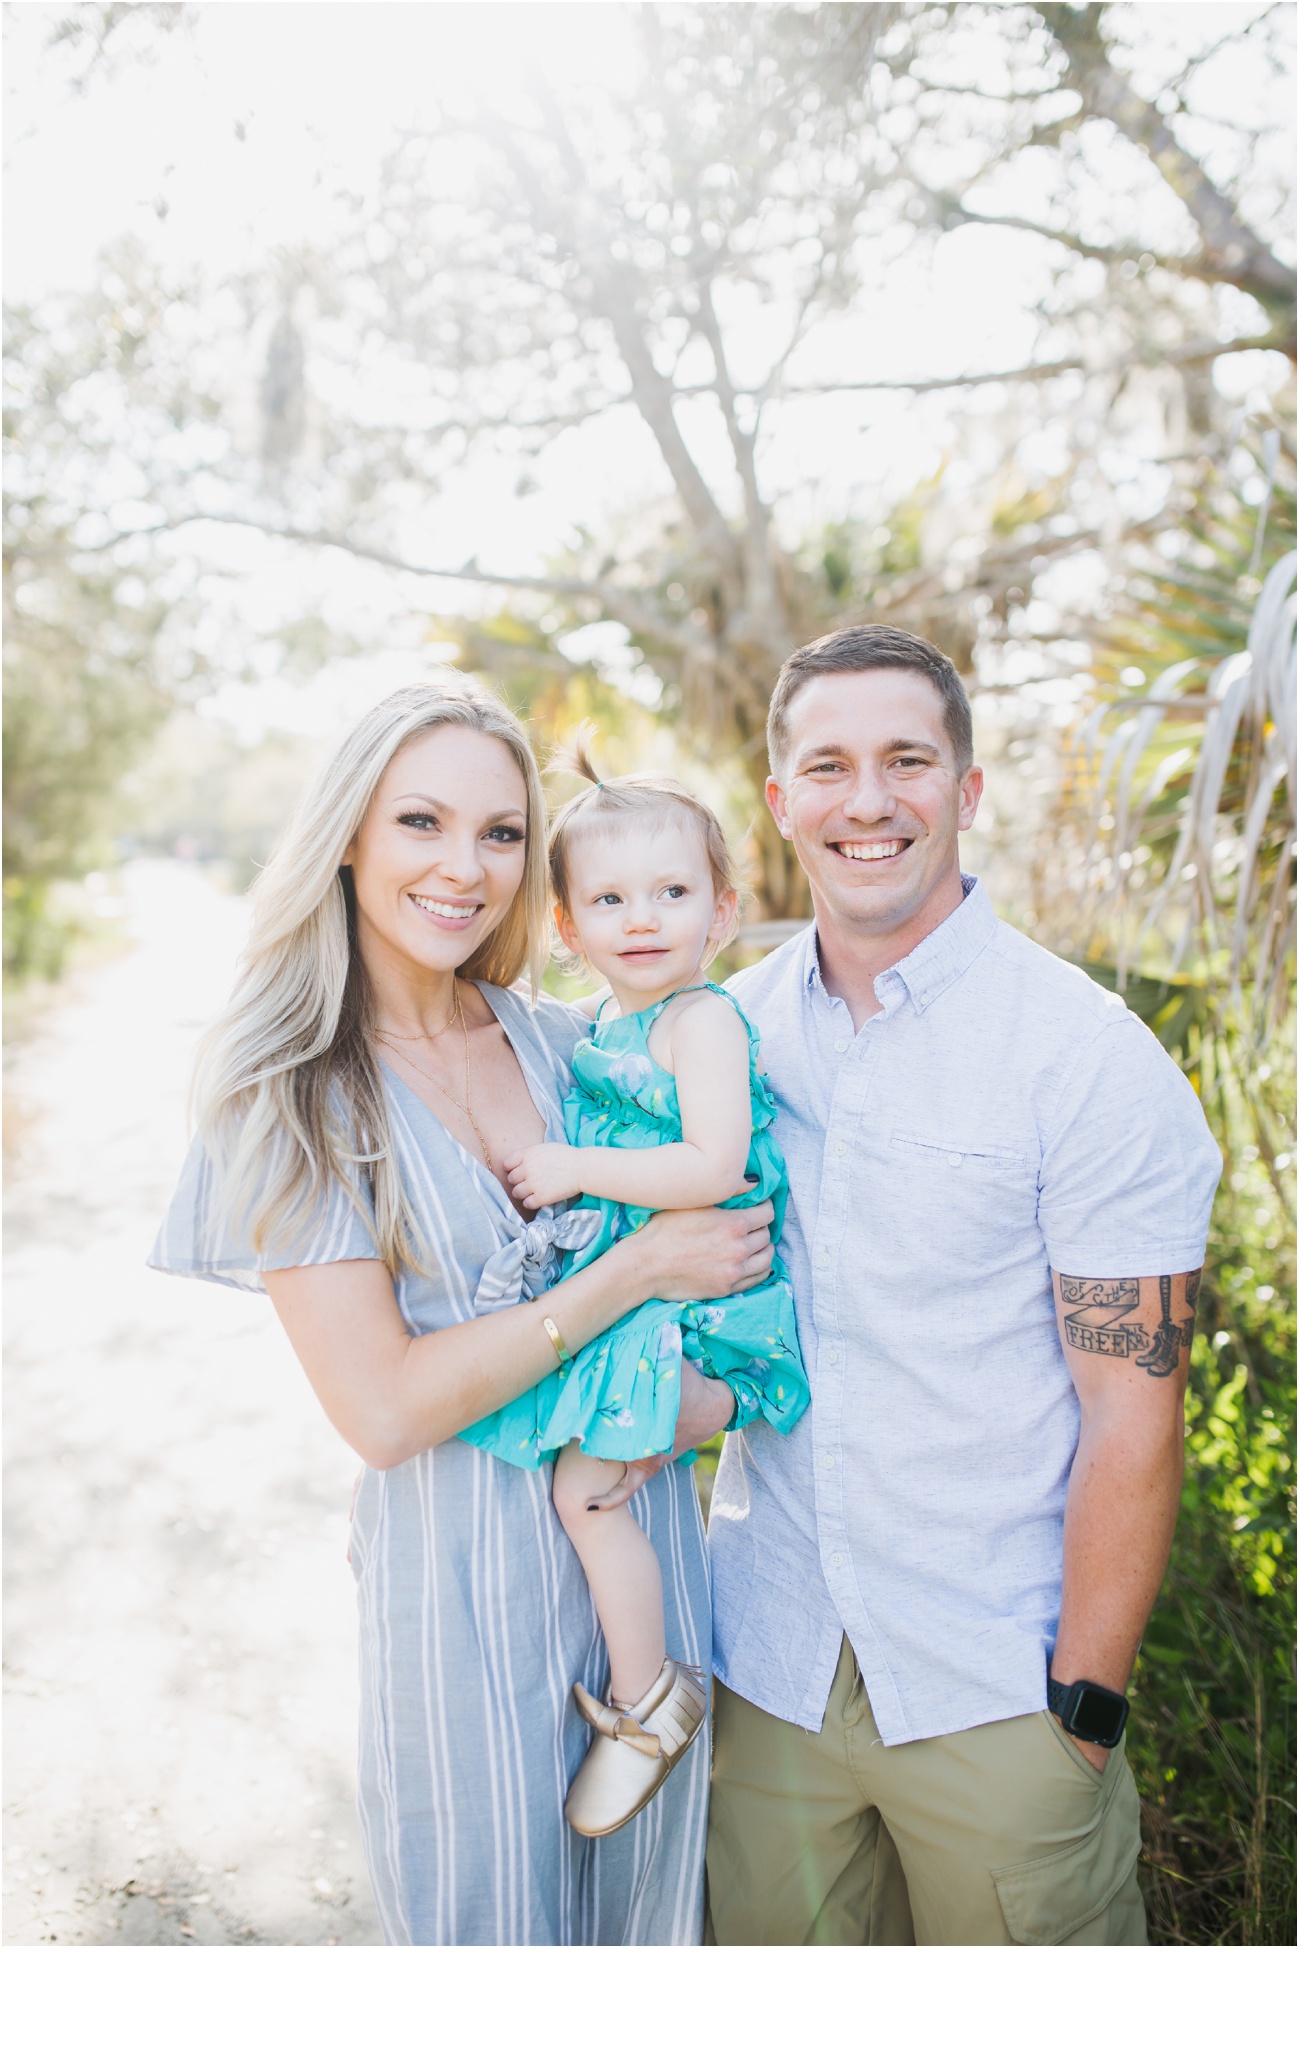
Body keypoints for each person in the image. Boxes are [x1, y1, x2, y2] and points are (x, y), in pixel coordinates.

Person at [149, 676, 765, 1946]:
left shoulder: (575, 1045)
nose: (462, 867)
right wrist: (632, 1274)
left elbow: (729, 1224)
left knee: (654, 1937)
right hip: (461, 1599)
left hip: (639, 1575)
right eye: (421, 821)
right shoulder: (292, 1099)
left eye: (498, 833)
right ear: (351, 837)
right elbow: (383, 1409)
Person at [705, 623, 1222, 1947]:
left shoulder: (1080, 1060)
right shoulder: (723, 1036)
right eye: (825, 766)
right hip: (764, 1669)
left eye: (905, 761)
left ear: (965, 791)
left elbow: (1132, 1411)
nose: (865, 801)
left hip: (995, 1695)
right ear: (778, 803)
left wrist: (1084, 1712)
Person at [461, 747, 809, 1838]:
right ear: (566, 925)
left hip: (707, 1307)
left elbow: (712, 1165)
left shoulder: (696, 1020)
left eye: (673, 891)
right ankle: (645, 1685)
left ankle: (648, 1700)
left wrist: (574, 1170)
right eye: (610, 897)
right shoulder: (605, 1027)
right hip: (652, 1299)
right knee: (560, 1464)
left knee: (587, 1490)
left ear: (723, 909)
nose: (643, 917)